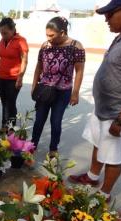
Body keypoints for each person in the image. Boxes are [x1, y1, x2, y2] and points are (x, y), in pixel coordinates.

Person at [69, 0, 121, 202]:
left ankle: (104, 195)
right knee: (99, 143)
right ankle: (92, 177)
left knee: (113, 156)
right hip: (105, 109)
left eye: (110, 14)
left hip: (118, 113)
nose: (106, 19)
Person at [31, 17, 85, 157]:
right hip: (44, 89)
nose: (48, 38)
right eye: (46, 35)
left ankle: (53, 149)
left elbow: (79, 71)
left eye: (51, 35)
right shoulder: (45, 46)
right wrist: (34, 86)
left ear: (62, 32)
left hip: (63, 92)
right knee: (38, 121)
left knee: (56, 122)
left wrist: (75, 93)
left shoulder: (76, 46)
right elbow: (38, 68)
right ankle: (32, 147)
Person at [0, 17, 28, 129]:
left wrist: (20, 77)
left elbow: (24, 60)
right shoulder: (1, 41)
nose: (3, 35)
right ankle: (4, 125)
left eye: (5, 33)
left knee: (10, 103)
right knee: (4, 103)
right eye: (1, 33)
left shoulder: (20, 41)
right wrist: (0, 65)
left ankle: (11, 127)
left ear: (13, 29)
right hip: (1, 77)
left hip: (14, 79)